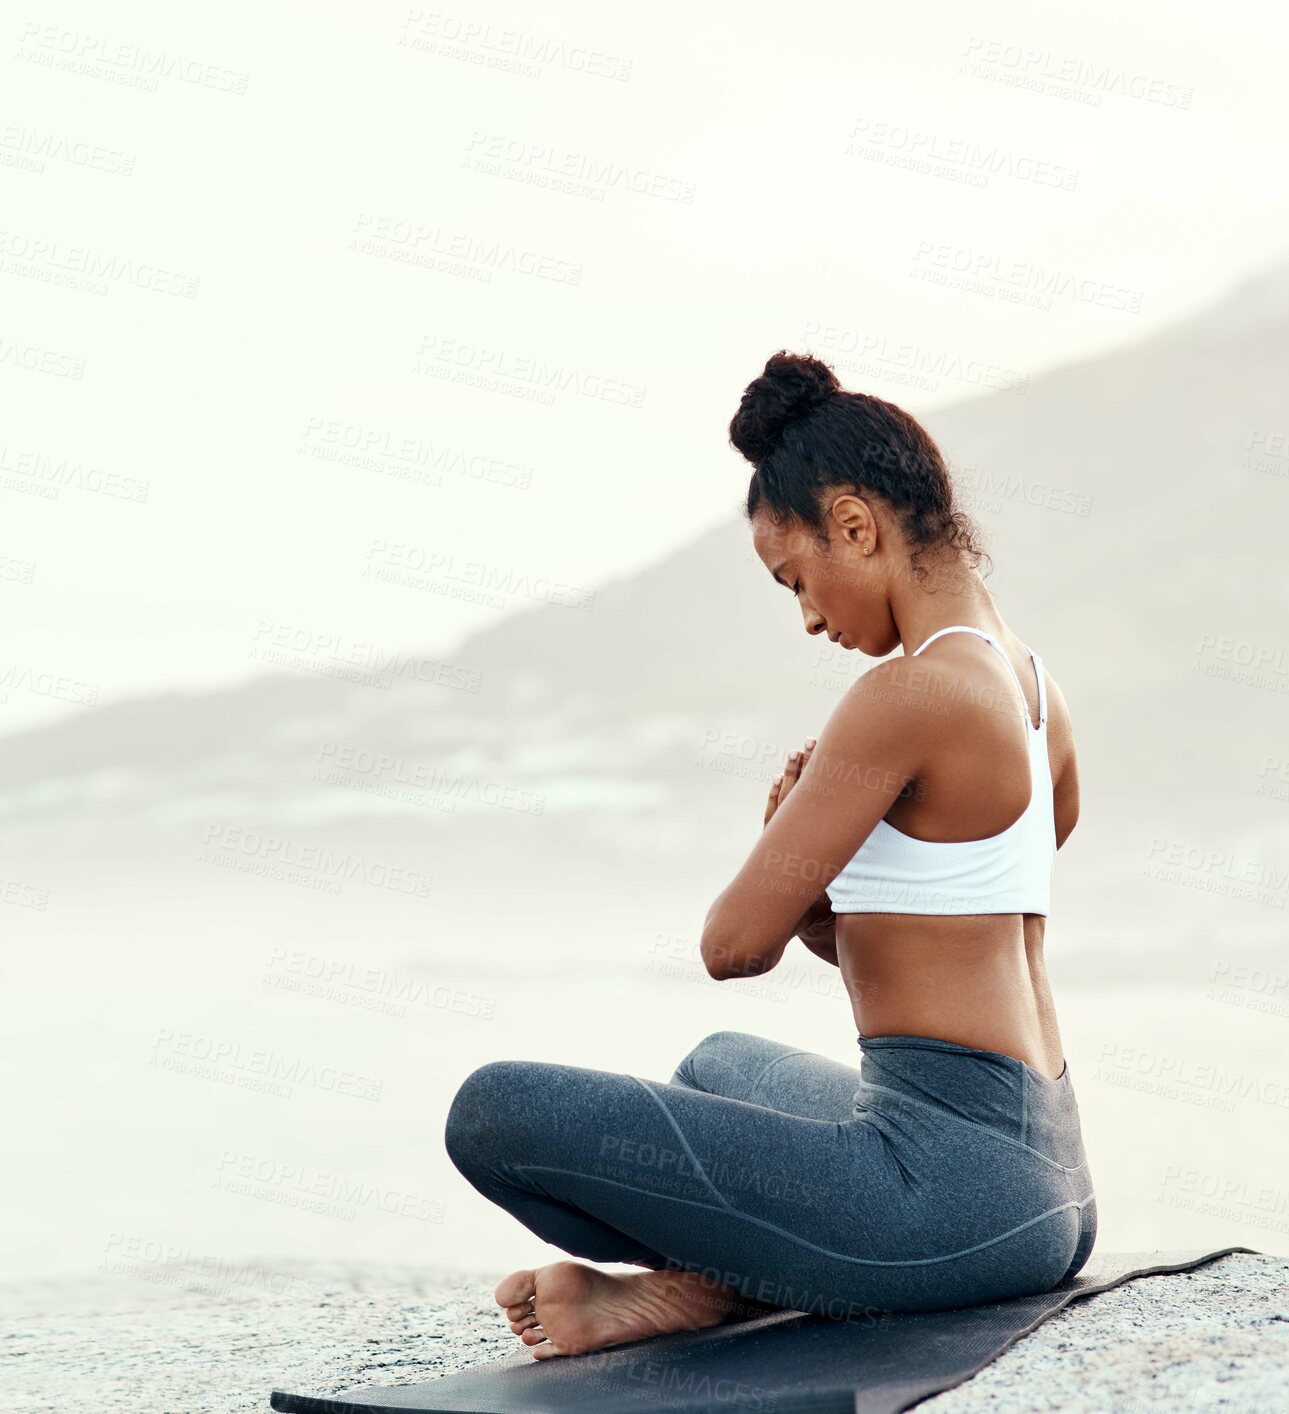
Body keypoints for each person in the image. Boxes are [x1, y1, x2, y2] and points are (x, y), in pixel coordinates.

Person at [443, 349, 1096, 1358]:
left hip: (951, 1204)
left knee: (493, 1112)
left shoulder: (906, 694)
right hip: (1047, 1176)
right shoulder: (1035, 691)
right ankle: (714, 1277)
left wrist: (779, 846)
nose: (807, 616)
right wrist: (826, 901)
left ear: (853, 523)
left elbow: (731, 946)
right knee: (713, 1064)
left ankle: (704, 1284)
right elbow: (950, 939)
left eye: (796, 578)